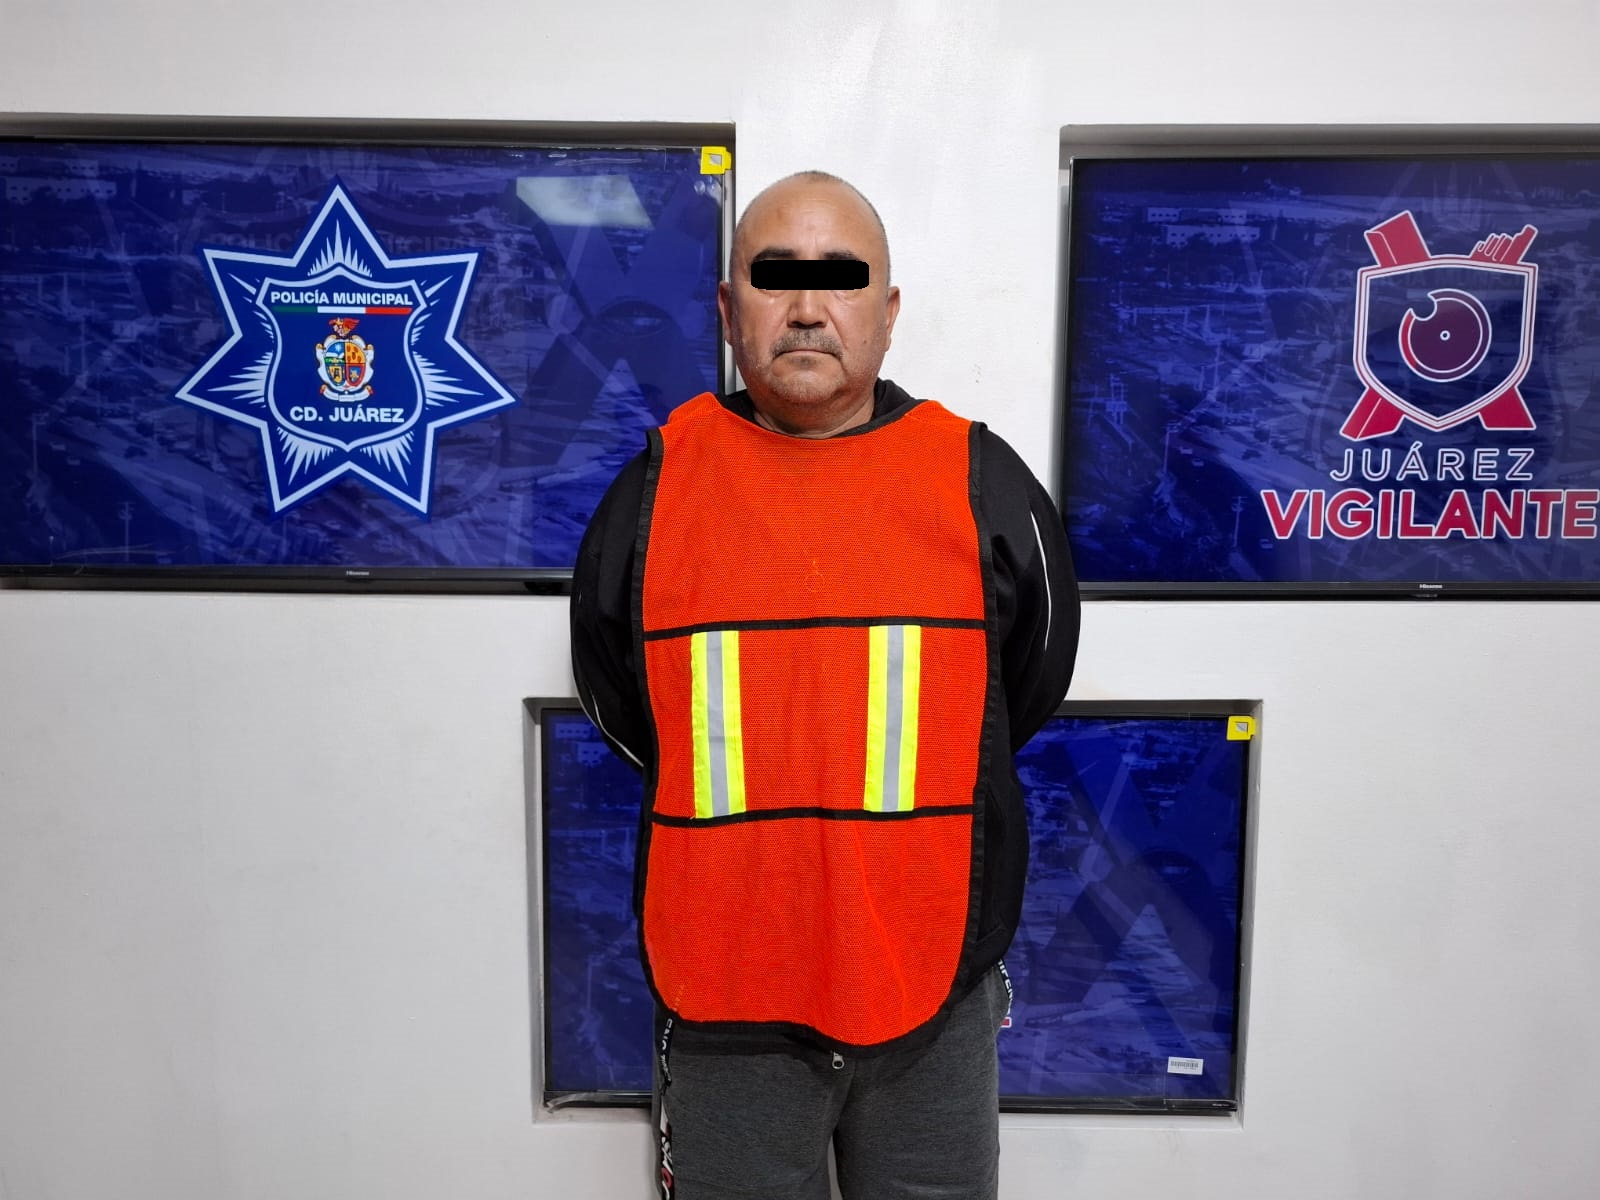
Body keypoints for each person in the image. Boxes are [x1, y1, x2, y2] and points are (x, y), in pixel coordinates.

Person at [570, 171, 1079, 1200]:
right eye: (775, 279)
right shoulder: (658, 486)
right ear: (729, 311)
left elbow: (1018, 692)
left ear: (887, 313)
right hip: (723, 999)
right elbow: (621, 700)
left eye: (842, 281)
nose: (807, 307)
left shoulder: (980, 482)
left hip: (933, 990)